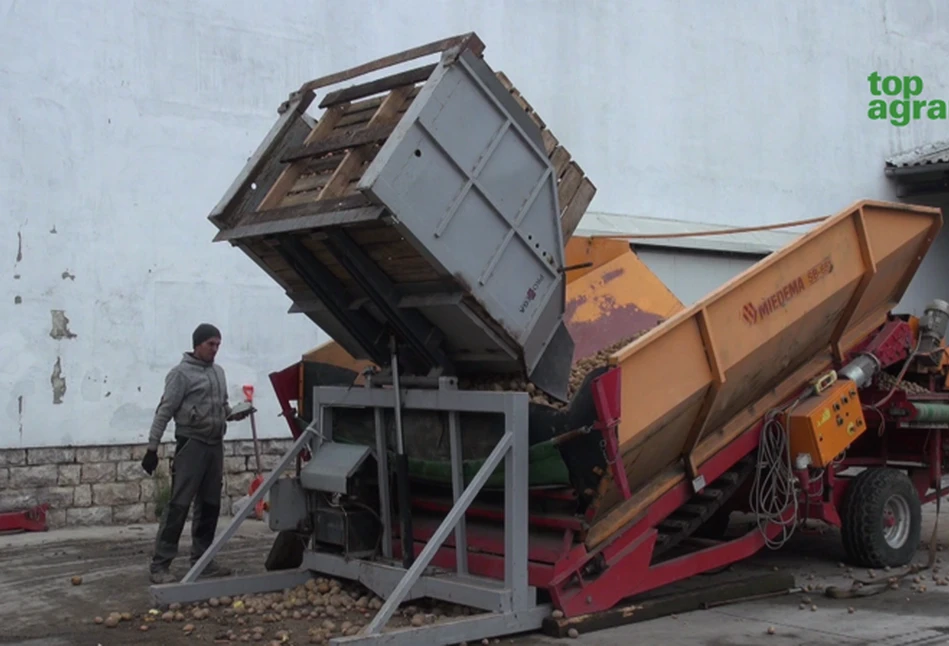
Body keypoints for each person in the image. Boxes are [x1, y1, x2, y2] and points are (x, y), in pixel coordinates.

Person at [141, 323, 252, 584]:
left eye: (218, 345)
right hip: (191, 445)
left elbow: (222, 407)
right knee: (179, 505)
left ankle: (203, 560)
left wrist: (235, 412)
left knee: (210, 505)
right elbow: (164, 411)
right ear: (197, 344)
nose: (215, 349)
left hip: (215, 445)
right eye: (210, 344)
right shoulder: (180, 374)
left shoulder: (219, 373)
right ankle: (160, 565)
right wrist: (151, 448)